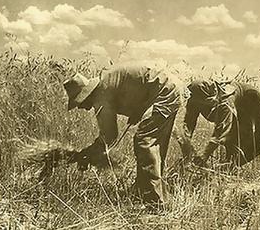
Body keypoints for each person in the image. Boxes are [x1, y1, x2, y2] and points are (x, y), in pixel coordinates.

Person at [63, 63, 184, 208]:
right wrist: (138, 111)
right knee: (155, 145)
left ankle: (154, 201)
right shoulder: (105, 83)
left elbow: (109, 137)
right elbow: (139, 88)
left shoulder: (101, 93)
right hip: (170, 87)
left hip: (165, 90)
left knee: (144, 142)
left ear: (87, 94)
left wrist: (86, 154)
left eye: (80, 102)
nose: (82, 107)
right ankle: (144, 192)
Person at [182, 79, 260, 168]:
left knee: (249, 137)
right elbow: (188, 125)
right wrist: (187, 149)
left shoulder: (225, 101)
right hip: (237, 106)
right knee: (233, 138)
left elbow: (221, 131)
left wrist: (204, 155)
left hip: (251, 101)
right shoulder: (194, 100)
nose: (197, 104)